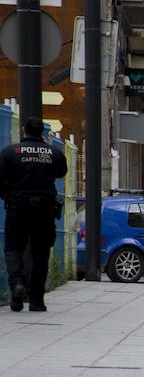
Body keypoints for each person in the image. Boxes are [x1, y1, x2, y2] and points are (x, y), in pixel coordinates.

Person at [0, 118, 67, 313]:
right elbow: (61, 172)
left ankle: (17, 284)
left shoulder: (10, 152)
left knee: (13, 249)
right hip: (44, 210)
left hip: (17, 208)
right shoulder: (54, 153)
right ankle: (36, 300)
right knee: (40, 254)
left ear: (23, 130)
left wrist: (7, 195)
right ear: (42, 133)